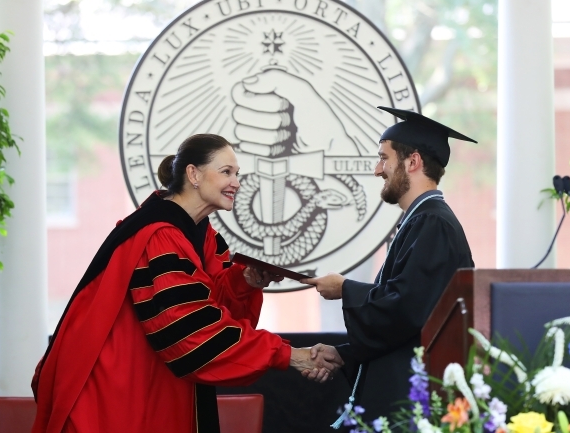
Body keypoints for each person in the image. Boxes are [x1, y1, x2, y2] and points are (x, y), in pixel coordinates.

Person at [31, 134, 341, 433]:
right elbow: (193, 331)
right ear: (193, 174)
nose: (236, 182)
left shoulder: (201, 234)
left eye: (237, 173)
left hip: (158, 383)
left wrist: (243, 282)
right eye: (226, 172)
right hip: (118, 388)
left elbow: (212, 307)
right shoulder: (158, 235)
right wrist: (291, 355)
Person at [301, 107, 476, 423]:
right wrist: (344, 354)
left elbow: (406, 308)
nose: (377, 169)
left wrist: (345, 289)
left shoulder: (433, 224)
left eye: (384, 158)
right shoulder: (420, 221)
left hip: (412, 401)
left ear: (413, 162)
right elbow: (405, 317)